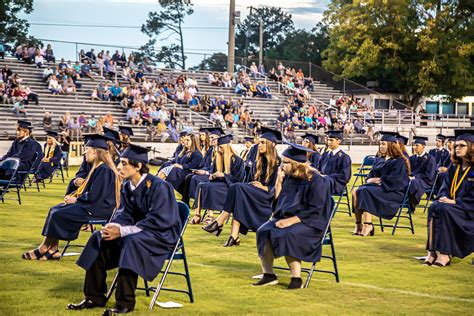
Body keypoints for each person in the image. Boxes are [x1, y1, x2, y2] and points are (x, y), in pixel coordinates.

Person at [69, 144, 182, 314]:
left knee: (131, 242)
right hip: (137, 232)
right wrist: (112, 226)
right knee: (98, 237)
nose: (119, 167)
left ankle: (124, 303)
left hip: (161, 235)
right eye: (119, 162)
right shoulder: (128, 186)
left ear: (137, 166)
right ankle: (94, 296)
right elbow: (124, 214)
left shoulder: (160, 186)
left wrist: (122, 231)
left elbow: (159, 220)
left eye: (124, 163)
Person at [22, 134, 121, 260]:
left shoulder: (104, 170)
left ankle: (44, 247)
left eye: (87, 149)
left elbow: (95, 196)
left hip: (98, 209)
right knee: (55, 209)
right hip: (92, 205)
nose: (84, 152)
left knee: (59, 213)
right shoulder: (98, 167)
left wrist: (76, 200)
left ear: (95, 151)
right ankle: (53, 249)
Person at [253, 142, 334, 289]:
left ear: (297, 164)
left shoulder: (316, 180)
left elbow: (316, 209)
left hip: (310, 224)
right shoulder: (289, 178)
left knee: (287, 234)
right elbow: (278, 207)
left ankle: (296, 279)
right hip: (286, 219)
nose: (281, 166)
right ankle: (269, 275)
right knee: (263, 231)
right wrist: (278, 183)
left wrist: (290, 221)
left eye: (285, 163)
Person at [202, 128, 281, 246]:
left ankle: (220, 221)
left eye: (263, 142)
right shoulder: (257, 162)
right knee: (237, 189)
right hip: (254, 194)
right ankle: (233, 236)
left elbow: (279, 189)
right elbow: (248, 181)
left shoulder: (278, 164)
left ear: (272, 144)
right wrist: (252, 185)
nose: (259, 145)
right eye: (259, 142)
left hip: (267, 197)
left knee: (237, 188)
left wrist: (264, 187)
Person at [424, 129, 474, 267]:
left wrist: (455, 201)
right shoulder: (454, 167)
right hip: (454, 206)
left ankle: (445, 254)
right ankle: (432, 251)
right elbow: (444, 188)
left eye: (462, 146)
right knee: (434, 206)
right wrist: (443, 197)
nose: (457, 148)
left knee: (444, 209)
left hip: (469, 211)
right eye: (456, 146)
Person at [352, 132, 411, 236]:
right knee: (355, 190)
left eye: (383, 144)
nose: (381, 146)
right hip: (379, 189)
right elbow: (370, 176)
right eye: (380, 144)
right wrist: (372, 180)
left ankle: (368, 224)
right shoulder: (379, 159)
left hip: (393, 192)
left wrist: (377, 180)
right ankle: (358, 224)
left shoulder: (399, 161)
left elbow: (396, 180)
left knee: (364, 191)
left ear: (391, 145)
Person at [191, 135, 245, 224]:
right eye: (218, 148)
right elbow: (213, 173)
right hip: (219, 184)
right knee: (201, 185)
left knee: (210, 187)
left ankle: (210, 216)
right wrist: (212, 176)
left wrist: (224, 175)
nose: (219, 150)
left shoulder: (237, 160)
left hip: (230, 187)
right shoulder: (218, 159)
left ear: (227, 147)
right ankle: (197, 215)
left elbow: (238, 179)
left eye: (221, 148)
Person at [181, 128, 223, 206]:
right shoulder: (210, 151)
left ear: (218, 139)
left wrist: (206, 172)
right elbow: (205, 164)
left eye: (213, 138)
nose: (210, 139)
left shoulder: (221, 152)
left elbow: (218, 168)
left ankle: (198, 201)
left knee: (195, 178)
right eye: (210, 137)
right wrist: (199, 170)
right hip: (206, 172)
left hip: (213, 175)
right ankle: (185, 201)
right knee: (189, 176)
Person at [317, 131, 352, 195]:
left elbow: (345, 176)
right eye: (328, 140)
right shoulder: (325, 155)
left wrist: (327, 177)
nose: (329, 142)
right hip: (322, 181)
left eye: (331, 140)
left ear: (338, 141)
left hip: (336, 184)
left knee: (317, 186)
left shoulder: (344, 157)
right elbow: (318, 169)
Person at [408, 136, 437, 211]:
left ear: (423, 146)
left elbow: (429, 175)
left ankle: (412, 204)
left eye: (417, 145)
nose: (415, 147)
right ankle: (406, 202)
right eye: (414, 145)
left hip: (426, 181)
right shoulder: (412, 158)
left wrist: (414, 176)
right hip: (414, 180)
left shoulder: (430, 158)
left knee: (414, 183)